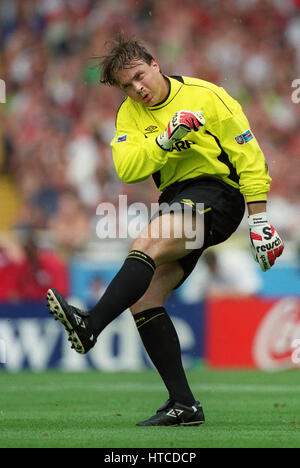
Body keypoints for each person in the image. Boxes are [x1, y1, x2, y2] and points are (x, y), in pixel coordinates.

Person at [46, 34, 284, 426]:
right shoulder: (129, 114)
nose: (137, 88)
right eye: (127, 85)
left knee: (147, 241)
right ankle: (184, 404)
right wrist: (164, 138)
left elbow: (249, 156)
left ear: (155, 64)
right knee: (146, 296)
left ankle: (91, 325)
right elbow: (128, 168)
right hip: (177, 199)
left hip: (218, 194)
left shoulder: (208, 96)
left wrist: (258, 219)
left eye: (140, 76)